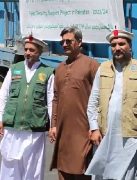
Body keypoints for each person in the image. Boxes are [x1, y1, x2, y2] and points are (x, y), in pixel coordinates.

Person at [85, 28, 137, 180]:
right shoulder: (102, 69)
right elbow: (93, 101)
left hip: (130, 135)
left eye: (121, 44)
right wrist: (94, 128)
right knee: (104, 172)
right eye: (113, 45)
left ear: (130, 46)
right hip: (105, 134)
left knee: (130, 173)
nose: (117, 48)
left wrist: (134, 115)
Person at [0, 34, 55, 180]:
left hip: (35, 128)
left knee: (33, 167)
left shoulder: (47, 72)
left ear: (39, 52)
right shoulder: (15, 68)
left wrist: (53, 125)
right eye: (26, 49)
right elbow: (4, 95)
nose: (28, 53)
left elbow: (52, 100)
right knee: (10, 164)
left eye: (32, 50)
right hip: (12, 126)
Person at [49, 27, 100, 180]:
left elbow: (100, 98)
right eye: (62, 41)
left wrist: (95, 127)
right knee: (63, 169)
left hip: (83, 130)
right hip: (63, 131)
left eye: (68, 41)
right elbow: (56, 98)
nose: (64, 44)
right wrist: (53, 124)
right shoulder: (59, 68)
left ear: (79, 42)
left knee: (81, 170)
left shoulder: (91, 65)